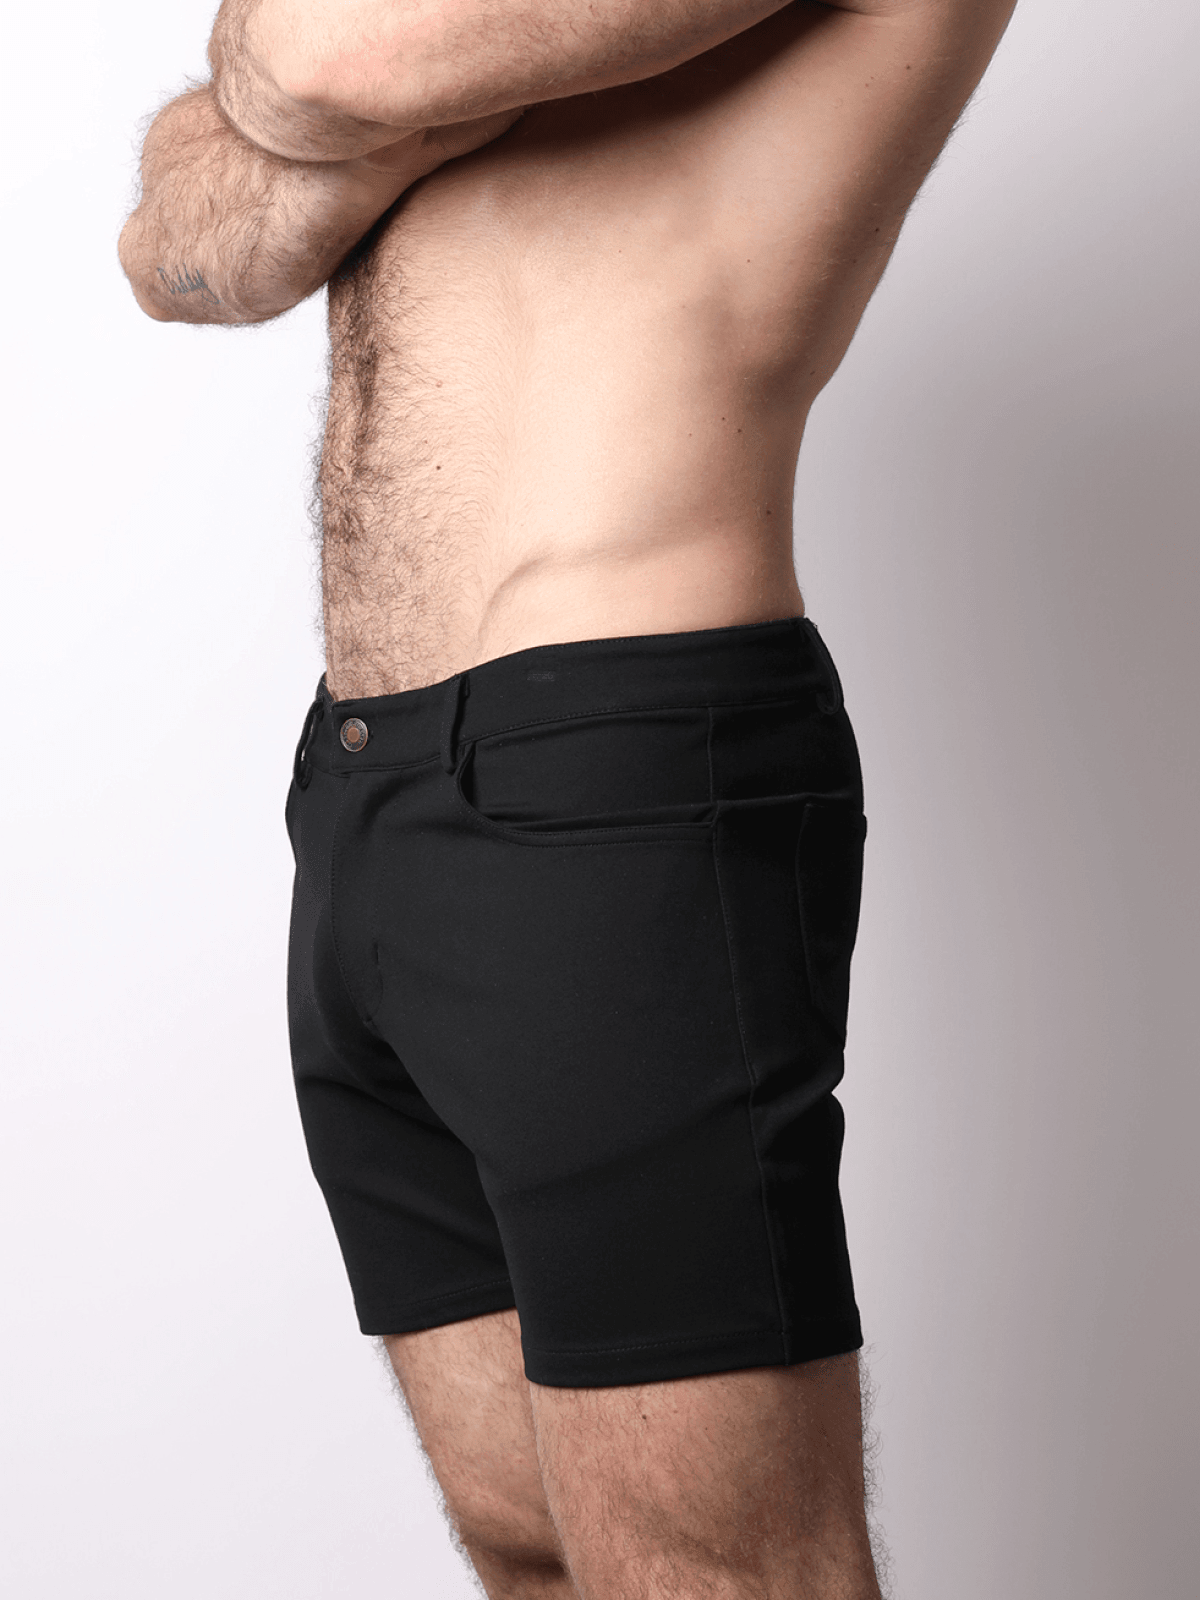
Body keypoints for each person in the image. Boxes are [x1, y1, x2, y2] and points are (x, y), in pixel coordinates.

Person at [119, 2, 1016, 1595]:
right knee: (527, 1541)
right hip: (369, 782)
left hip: (611, 765)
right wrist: (358, 105)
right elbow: (179, 248)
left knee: (713, 1567)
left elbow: (324, 62)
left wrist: (326, 109)